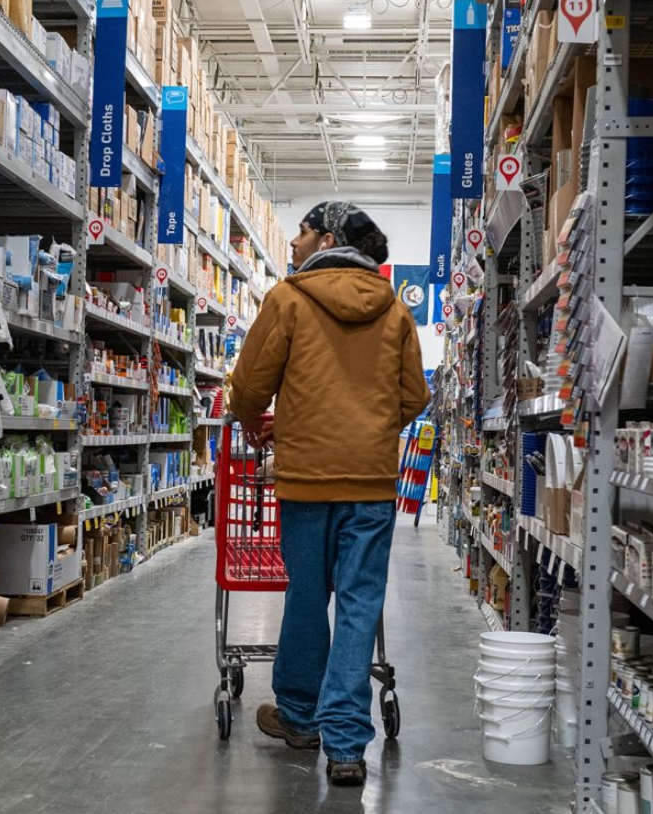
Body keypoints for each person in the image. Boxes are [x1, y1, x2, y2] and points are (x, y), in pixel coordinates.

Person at [228, 201, 431, 787]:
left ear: (326, 239)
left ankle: (298, 716)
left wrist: (253, 418)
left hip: (306, 478)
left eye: (301, 231)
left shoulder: (287, 300)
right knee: (360, 604)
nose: (293, 242)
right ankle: (346, 745)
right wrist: (370, 429)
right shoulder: (394, 309)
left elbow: (250, 386)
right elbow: (414, 396)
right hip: (370, 482)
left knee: (307, 594)